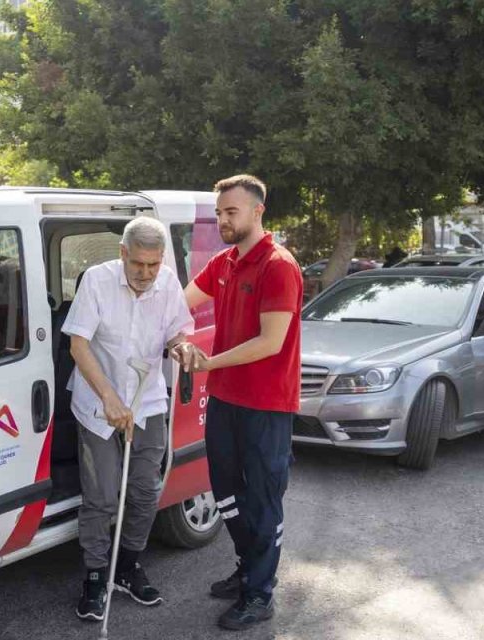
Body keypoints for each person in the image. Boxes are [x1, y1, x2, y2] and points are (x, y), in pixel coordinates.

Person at [176, 175, 302, 631]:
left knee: (263, 499)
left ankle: (260, 593)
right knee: (226, 492)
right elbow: (179, 303)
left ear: (257, 212)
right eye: (219, 213)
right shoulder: (223, 262)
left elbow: (271, 342)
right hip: (226, 400)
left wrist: (208, 362)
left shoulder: (278, 265)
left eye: (231, 212)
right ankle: (247, 566)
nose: (223, 220)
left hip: (267, 405)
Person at [62, 217, 194, 622]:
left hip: (148, 402)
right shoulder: (98, 281)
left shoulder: (167, 282)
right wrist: (109, 398)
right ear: (122, 254)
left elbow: (177, 331)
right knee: (101, 497)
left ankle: (127, 566)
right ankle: (97, 575)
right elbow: (78, 346)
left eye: (153, 265)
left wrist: (181, 347)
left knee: (143, 491)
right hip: (99, 403)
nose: (146, 274)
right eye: (138, 264)